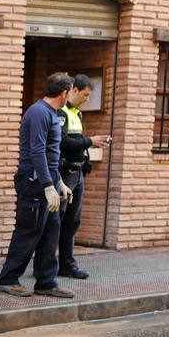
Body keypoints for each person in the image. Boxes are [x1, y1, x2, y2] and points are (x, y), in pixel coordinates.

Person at [0, 72, 75, 299]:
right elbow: (37, 151)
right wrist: (48, 186)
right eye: (69, 92)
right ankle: (8, 278)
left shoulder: (52, 113)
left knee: (51, 231)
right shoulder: (39, 112)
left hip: (46, 178)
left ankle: (46, 282)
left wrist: (58, 181)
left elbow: (51, 154)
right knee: (29, 230)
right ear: (64, 93)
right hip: (33, 181)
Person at [57, 74, 112, 279]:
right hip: (65, 174)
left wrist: (88, 148)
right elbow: (62, 143)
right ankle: (44, 266)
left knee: (72, 221)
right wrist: (90, 141)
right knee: (57, 220)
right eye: (86, 95)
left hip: (78, 173)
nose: (87, 99)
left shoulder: (77, 114)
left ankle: (66, 264)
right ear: (74, 91)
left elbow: (77, 142)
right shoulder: (60, 112)